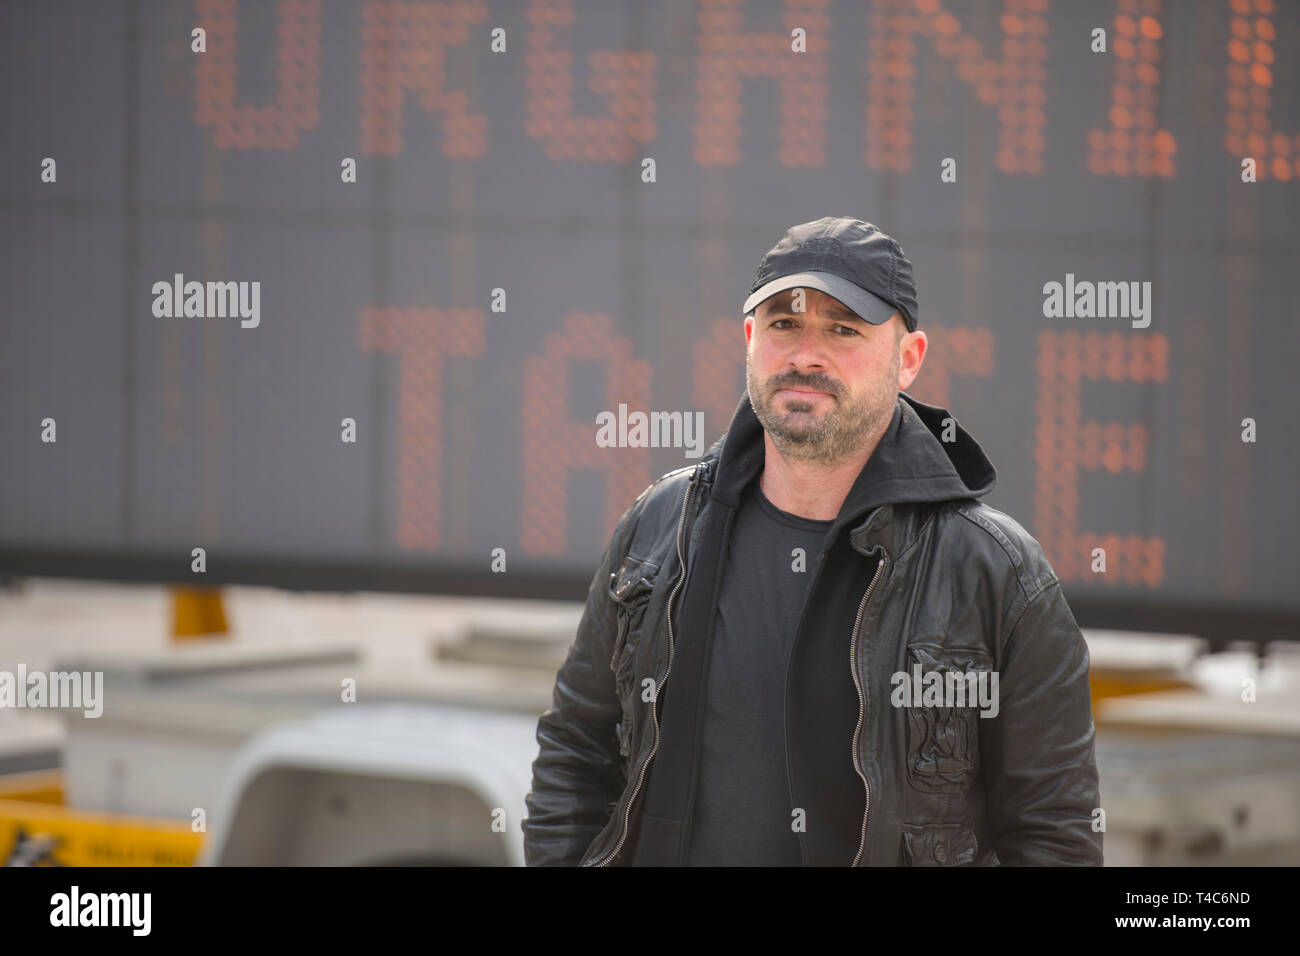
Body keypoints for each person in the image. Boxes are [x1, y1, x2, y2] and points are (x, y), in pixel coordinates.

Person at [522, 216, 1102, 866]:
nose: (805, 355)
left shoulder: (996, 574)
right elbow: (575, 754)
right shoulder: (657, 529)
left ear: (908, 359)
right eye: (784, 324)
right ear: (749, 339)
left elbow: (1053, 836)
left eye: (843, 329)